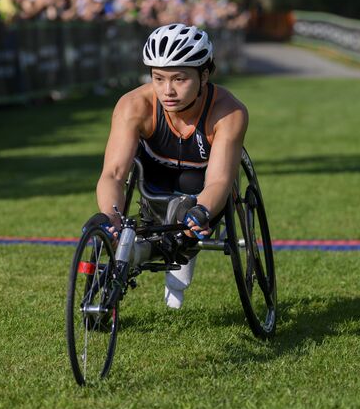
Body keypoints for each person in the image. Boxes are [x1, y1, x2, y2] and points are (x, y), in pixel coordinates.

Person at [95, 23, 248, 309]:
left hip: (201, 187)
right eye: (159, 78)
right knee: (143, 221)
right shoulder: (133, 105)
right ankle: (140, 251)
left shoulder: (228, 111)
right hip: (153, 180)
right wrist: (110, 217)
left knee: (186, 213)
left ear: (204, 75)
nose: (168, 91)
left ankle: (180, 259)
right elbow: (114, 174)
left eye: (179, 79)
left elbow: (220, 181)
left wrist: (202, 211)